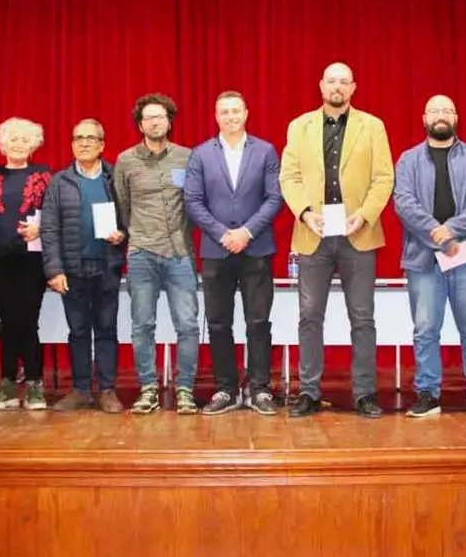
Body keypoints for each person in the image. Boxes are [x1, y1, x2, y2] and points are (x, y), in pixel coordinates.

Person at [279, 62, 395, 418]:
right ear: (321, 85)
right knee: (309, 316)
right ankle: (309, 392)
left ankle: (364, 394)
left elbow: (383, 178)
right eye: (332, 80)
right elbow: (289, 176)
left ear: (354, 88)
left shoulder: (373, 126)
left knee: (362, 318)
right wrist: (304, 212)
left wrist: (364, 215)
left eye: (344, 82)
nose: (337, 86)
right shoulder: (299, 126)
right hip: (312, 234)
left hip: (357, 233)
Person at [393, 95, 466, 418]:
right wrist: (434, 233)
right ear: (424, 119)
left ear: (456, 117)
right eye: (435, 111)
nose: (441, 116)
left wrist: (450, 229)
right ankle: (428, 393)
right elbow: (403, 202)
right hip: (423, 256)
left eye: (447, 110)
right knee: (425, 328)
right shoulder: (408, 159)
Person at [184, 91, 284, 416]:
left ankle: (260, 389)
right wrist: (222, 234)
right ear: (216, 117)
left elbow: (274, 197)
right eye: (224, 112)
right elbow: (193, 201)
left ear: (246, 113)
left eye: (235, 111)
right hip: (216, 250)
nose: (230, 117)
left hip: (256, 248)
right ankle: (226, 389)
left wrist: (246, 232)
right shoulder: (200, 155)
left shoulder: (266, 151)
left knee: (258, 322)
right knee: (217, 323)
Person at [113, 94, 200, 415]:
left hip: (179, 254)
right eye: (148, 118)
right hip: (141, 254)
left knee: (188, 325)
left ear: (170, 121)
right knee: (142, 325)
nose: (155, 122)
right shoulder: (125, 161)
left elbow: (195, 205)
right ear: (140, 124)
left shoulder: (188, 158)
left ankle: (186, 390)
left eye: (160, 117)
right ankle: (148, 387)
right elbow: (123, 205)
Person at [41, 119, 126, 413]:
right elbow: (49, 229)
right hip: (73, 269)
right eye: (79, 138)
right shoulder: (59, 182)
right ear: (72, 144)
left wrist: (122, 235)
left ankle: (106, 390)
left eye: (91, 138)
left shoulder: (116, 177)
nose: (84, 143)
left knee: (106, 329)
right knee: (77, 331)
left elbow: (130, 221)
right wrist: (54, 270)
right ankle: (79, 389)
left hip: (107, 266)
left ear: (102, 145)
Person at [0, 117, 51, 410]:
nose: (19, 144)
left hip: (32, 257)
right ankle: (7, 386)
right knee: (7, 322)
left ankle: (34, 385)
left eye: (24, 139)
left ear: (33, 144)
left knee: (28, 321)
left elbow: (55, 212)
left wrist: (41, 227)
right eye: (13, 139)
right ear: (2, 142)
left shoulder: (44, 174)